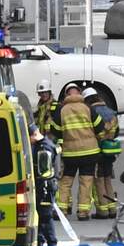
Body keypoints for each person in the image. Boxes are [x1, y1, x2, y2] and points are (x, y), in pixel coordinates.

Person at [52, 84, 100, 220]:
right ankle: (83, 212)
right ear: (79, 93)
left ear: (66, 95)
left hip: (70, 154)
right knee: (86, 182)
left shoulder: (62, 110)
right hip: (89, 152)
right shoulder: (88, 108)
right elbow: (100, 126)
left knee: (66, 182)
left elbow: (55, 130)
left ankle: (62, 210)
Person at [85, 88, 120, 219]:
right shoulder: (111, 112)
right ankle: (112, 209)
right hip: (110, 151)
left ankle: (103, 211)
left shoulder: (91, 113)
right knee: (108, 180)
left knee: (99, 181)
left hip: (97, 151)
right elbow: (116, 132)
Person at [30, 125, 59, 246]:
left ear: (34, 134)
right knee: (41, 218)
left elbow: (43, 172)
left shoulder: (44, 148)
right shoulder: (44, 145)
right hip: (45, 186)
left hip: (44, 187)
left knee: (46, 218)